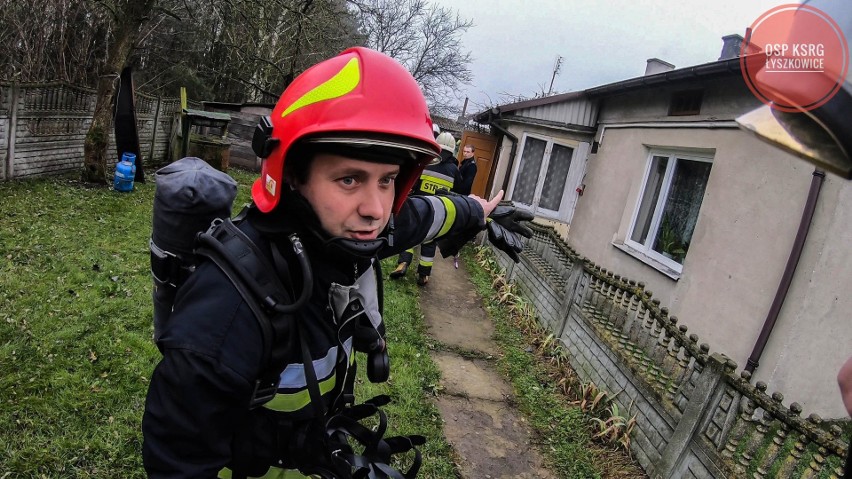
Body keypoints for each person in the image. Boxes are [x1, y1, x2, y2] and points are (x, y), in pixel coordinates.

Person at [142, 47, 532, 478]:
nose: (376, 208)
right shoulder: (224, 314)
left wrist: (477, 210)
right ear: (291, 174)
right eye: (350, 179)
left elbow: (421, 216)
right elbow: (177, 465)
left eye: (387, 180)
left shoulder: (343, 232)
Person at [388, 131, 460, 286]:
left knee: (410, 235)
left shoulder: (427, 163)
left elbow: (413, 183)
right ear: (453, 149)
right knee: (429, 242)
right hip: (438, 212)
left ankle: (403, 264)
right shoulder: (454, 170)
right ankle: (423, 274)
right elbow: (457, 193)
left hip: (418, 206)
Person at [450, 144, 478, 268]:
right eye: (464, 151)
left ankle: (455, 242)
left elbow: (467, 183)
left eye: (468, 152)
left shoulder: (471, 166)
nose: (465, 153)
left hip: (461, 195)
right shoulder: (465, 163)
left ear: (473, 153)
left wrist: (457, 191)